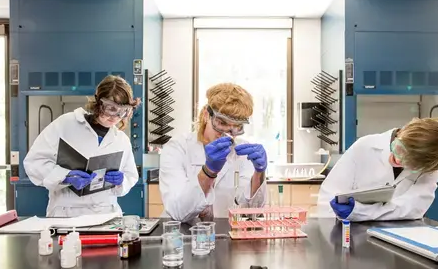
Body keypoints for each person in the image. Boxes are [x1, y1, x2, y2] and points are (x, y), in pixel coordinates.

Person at [24, 75, 140, 217]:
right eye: (111, 108)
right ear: (98, 103)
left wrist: (122, 181)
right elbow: (34, 162)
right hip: (67, 214)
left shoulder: (121, 140)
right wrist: (66, 177)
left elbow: (131, 176)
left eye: (123, 111)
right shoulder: (65, 124)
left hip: (106, 214)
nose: (115, 116)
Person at [159, 83, 267, 223]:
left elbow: (252, 213)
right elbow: (178, 212)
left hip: (226, 235)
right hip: (182, 236)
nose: (228, 134)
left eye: (237, 127)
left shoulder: (243, 151)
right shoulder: (177, 148)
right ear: (206, 115)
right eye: (221, 123)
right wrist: (208, 171)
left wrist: (259, 173)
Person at [317, 117, 438, 221]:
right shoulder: (364, 147)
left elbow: (412, 209)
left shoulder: (429, 165)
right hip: (348, 232)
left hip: (399, 236)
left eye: (410, 163)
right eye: (400, 149)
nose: (398, 160)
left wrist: (360, 211)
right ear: (402, 132)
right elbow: (328, 198)